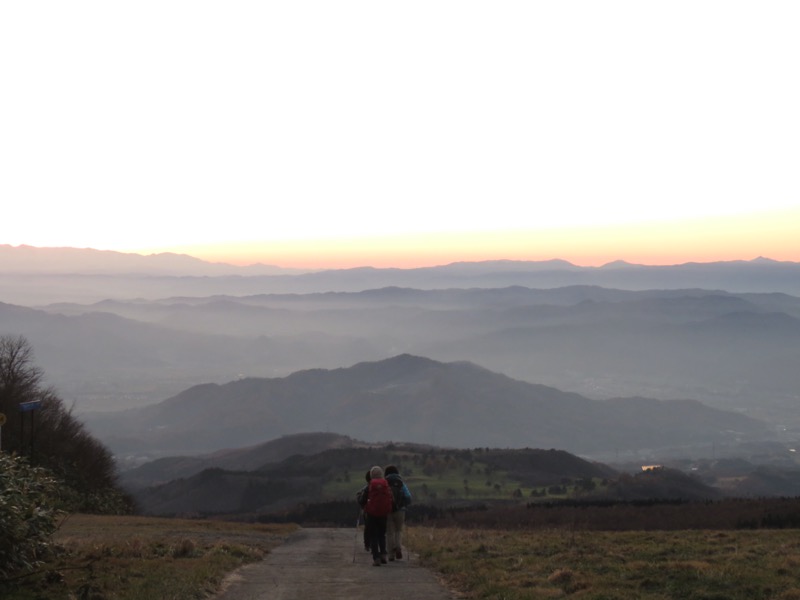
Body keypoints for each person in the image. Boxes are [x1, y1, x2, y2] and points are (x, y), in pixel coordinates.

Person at [360, 465, 393, 566]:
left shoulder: (370, 485)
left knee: (373, 536)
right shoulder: (386, 484)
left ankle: (376, 558)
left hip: (371, 514)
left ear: (371, 475)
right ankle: (383, 554)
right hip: (383, 513)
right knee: (382, 535)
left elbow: (362, 499)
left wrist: (363, 505)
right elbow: (391, 497)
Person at [384, 464, 412, 561]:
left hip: (387, 511)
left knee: (389, 532)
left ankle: (391, 555)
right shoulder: (401, 483)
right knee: (398, 531)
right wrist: (403, 504)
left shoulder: (385, 483)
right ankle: (398, 547)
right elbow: (408, 497)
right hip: (400, 511)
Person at [356, 470, 371, 551]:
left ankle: (367, 544)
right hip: (380, 510)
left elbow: (361, 500)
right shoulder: (382, 486)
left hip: (367, 511)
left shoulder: (366, 488)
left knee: (368, 527)